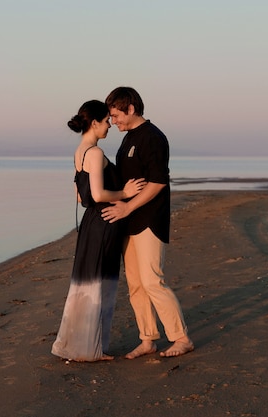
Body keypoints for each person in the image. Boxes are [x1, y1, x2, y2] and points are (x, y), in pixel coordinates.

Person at [101, 87, 194, 358]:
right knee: (136, 286)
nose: (113, 121)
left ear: (130, 108)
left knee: (153, 282)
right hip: (128, 222)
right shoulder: (128, 138)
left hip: (149, 220)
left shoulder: (153, 137)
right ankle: (147, 339)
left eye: (116, 115)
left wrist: (128, 205)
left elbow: (158, 182)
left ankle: (180, 338)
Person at [51, 100, 146, 362]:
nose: (109, 126)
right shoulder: (94, 152)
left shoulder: (79, 152)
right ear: (94, 123)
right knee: (100, 283)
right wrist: (125, 193)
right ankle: (92, 349)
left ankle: (80, 344)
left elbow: (81, 198)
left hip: (91, 222)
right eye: (106, 121)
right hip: (105, 222)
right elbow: (97, 194)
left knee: (85, 283)